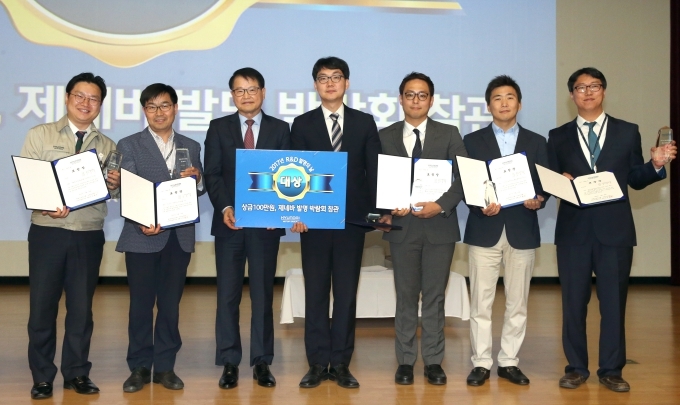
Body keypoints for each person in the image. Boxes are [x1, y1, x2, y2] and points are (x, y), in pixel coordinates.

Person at [548, 67, 677, 392]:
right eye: (581, 87)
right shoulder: (558, 136)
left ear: (603, 91)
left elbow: (634, 178)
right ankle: (576, 368)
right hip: (574, 232)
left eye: (594, 86)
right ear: (572, 95)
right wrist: (558, 182)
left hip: (615, 231)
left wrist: (655, 165)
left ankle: (611, 370)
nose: (588, 92)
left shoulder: (627, 131)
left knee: (614, 304)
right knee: (573, 304)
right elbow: (549, 179)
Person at [20, 72, 120, 400]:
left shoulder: (108, 146)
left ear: (100, 105)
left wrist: (116, 185)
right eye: (80, 96)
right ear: (67, 98)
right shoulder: (40, 134)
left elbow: (112, 195)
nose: (85, 103)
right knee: (42, 308)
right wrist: (47, 205)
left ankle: (76, 372)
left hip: (88, 234)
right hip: (48, 232)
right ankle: (42, 377)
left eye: (93, 99)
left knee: (81, 310)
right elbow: (29, 180)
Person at [290, 56, 381, 389]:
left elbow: (374, 172)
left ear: (347, 83)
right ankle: (317, 363)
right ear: (315, 84)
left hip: (350, 223)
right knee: (315, 294)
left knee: (345, 295)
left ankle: (341, 363)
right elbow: (294, 172)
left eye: (336, 77)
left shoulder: (364, 122)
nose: (330, 83)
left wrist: (377, 213)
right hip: (313, 224)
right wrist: (295, 214)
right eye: (323, 78)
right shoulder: (302, 124)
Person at [377, 72, 467, 385]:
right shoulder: (385, 135)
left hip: (440, 228)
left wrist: (440, 205)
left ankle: (433, 361)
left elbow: (464, 177)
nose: (416, 100)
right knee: (405, 297)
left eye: (422, 95)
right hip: (402, 228)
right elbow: (376, 180)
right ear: (400, 99)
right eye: (410, 94)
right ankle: (405, 361)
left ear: (431, 100)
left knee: (434, 298)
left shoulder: (449, 133)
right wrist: (388, 207)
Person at [204, 68, 290, 389]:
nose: (246, 96)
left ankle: (262, 361)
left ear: (263, 92)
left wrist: (277, 210)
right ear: (232, 96)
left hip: (266, 226)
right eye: (239, 91)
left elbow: (287, 175)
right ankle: (229, 361)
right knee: (227, 295)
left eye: (252, 89)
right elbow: (212, 173)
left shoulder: (281, 129)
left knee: (262, 295)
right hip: (230, 224)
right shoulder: (218, 127)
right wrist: (226, 207)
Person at [116, 83, 204, 392]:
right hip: (142, 235)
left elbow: (199, 187)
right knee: (140, 305)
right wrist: (144, 220)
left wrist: (198, 178)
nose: (159, 112)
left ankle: (165, 367)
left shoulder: (191, 145)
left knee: (170, 305)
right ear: (144, 111)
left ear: (175, 108)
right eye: (152, 107)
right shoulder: (129, 144)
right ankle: (139, 367)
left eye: (165, 105)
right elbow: (129, 187)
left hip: (178, 237)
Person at [462, 75, 547, 387]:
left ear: (519, 104)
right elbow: (467, 185)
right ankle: (481, 362)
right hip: (484, 228)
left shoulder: (537, 142)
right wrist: (480, 205)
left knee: (518, 302)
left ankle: (509, 361)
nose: (504, 103)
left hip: (522, 229)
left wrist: (539, 199)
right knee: (480, 302)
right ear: (488, 106)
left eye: (510, 97)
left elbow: (544, 184)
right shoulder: (471, 141)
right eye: (497, 98)